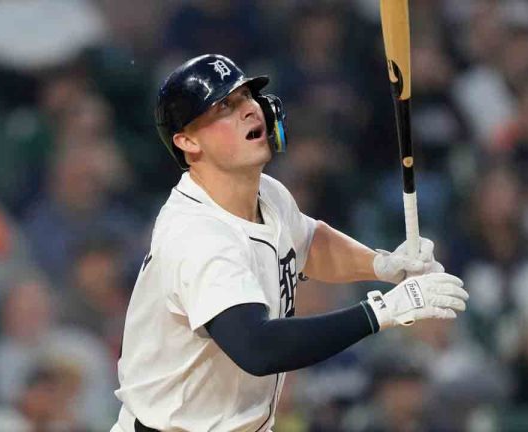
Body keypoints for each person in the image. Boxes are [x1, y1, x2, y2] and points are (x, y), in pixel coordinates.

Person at [112, 54, 469, 431]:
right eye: (224, 107)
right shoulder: (199, 235)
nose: (249, 110)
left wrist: (381, 265)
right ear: (187, 141)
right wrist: (380, 312)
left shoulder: (266, 192)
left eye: (247, 96)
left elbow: (309, 241)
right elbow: (257, 347)